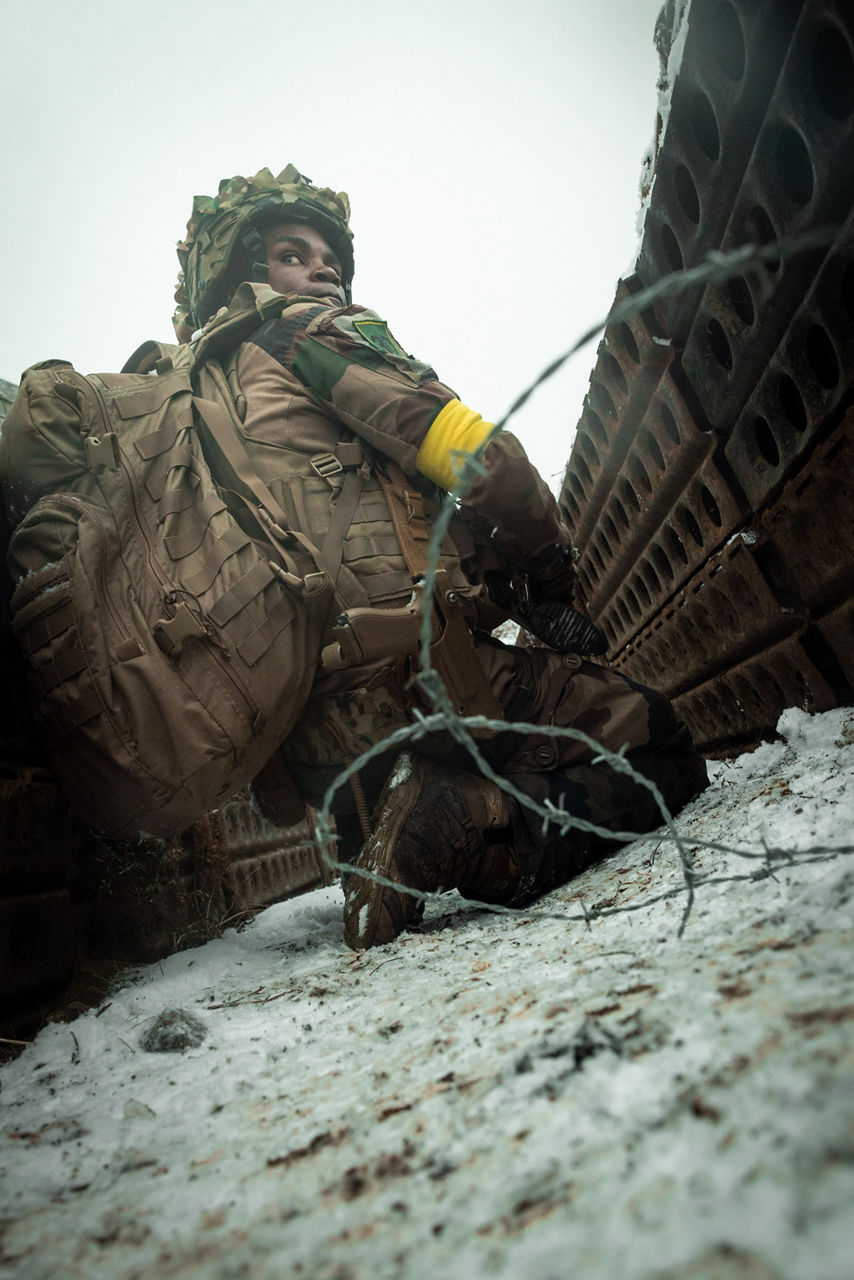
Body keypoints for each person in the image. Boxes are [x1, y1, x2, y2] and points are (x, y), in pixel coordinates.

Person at [173, 165, 708, 950]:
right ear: (245, 272)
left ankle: (403, 833)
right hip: (413, 688)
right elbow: (482, 462)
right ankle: (472, 818)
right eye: (294, 253)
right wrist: (550, 570)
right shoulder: (306, 336)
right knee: (663, 750)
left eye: (330, 259)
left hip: (310, 754)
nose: (323, 269)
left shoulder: (194, 403)